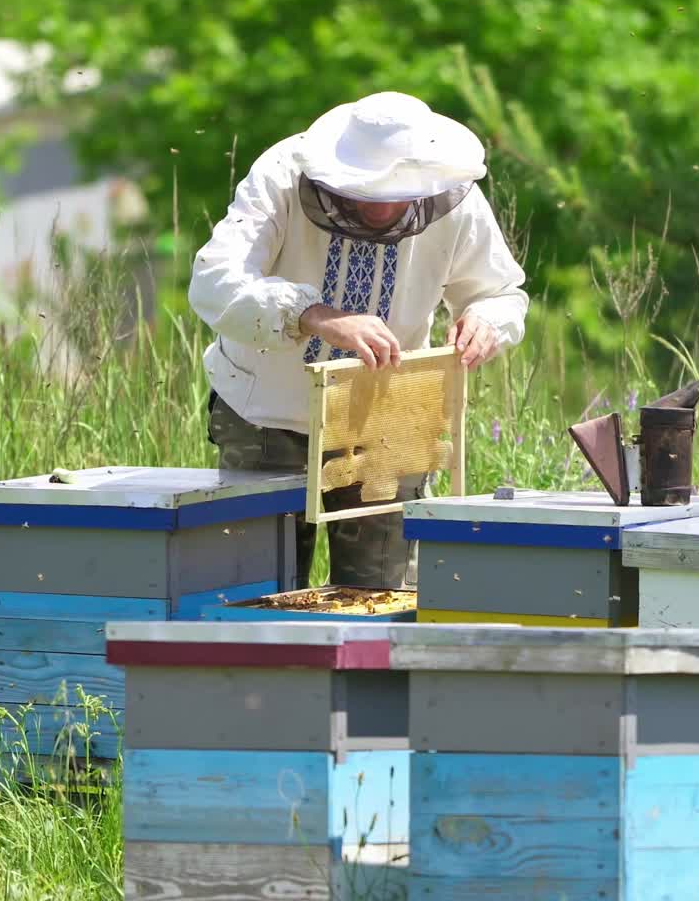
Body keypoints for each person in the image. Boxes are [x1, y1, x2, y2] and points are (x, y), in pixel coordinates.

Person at [189, 90, 529, 589]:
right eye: (369, 191)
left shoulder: (453, 194)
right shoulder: (282, 175)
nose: (385, 205)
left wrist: (486, 321)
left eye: (399, 191)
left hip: (388, 419)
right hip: (266, 416)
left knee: (383, 591)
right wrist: (313, 314)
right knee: (257, 593)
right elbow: (213, 281)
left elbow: (501, 291)